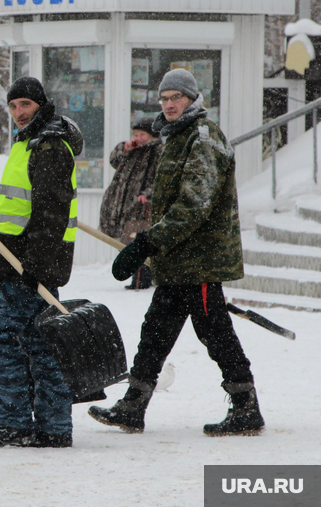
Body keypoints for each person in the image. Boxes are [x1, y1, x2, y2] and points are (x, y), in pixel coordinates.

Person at [88, 68, 265, 437]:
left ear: (191, 100)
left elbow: (194, 205)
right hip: (179, 259)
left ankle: (246, 407)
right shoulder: (176, 137)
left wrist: (147, 242)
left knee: (214, 331)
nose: (169, 105)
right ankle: (133, 406)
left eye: (176, 98)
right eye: (164, 99)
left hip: (200, 259)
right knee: (156, 330)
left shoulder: (202, 137)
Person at [0, 77, 83, 449]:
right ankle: (52, 426)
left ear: (41, 105)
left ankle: (14, 422)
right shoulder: (30, 142)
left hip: (27, 261)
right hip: (18, 256)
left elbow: (51, 210)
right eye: (13, 106)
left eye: (26, 106)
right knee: (40, 341)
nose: (19, 113)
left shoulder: (49, 146)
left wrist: (35, 263)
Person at [99, 117, 162, 290]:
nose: (138, 138)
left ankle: (142, 278)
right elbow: (113, 161)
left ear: (151, 135)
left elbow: (161, 176)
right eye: (135, 134)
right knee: (126, 239)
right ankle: (137, 276)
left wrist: (148, 194)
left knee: (139, 238)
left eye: (142, 134)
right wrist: (124, 148)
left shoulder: (157, 150)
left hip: (140, 204)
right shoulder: (133, 149)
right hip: (122, 203)